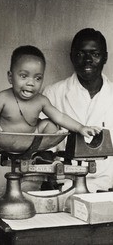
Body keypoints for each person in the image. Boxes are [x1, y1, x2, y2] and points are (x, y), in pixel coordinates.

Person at [43, 28, 113, 193]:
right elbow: (43, 149)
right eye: (81, 54)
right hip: (64, 185)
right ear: (71, 56)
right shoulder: (53, 94)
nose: (88, 60)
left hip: (108, 185)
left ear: (105, 57)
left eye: (95, 54)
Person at [0, 45, 101, 141]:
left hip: (32, 138)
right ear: (10, 77)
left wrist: (81, 127)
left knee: (49, 123)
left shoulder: (41, 100)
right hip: (6, 138)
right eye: (24, 76)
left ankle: (46, 149)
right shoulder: (3, 97)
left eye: (37, 78)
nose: (31, 83)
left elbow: (60, 117)